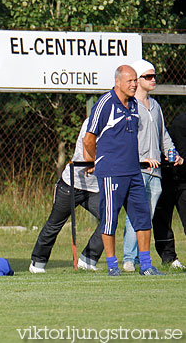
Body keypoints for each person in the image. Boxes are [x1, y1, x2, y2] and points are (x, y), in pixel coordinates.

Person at [83, 65, 165, 276]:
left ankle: (146, 265)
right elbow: (88, 139)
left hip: (134, 172)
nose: (134, 84)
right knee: (110, 219)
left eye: (135, 80)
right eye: (129, 81)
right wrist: (94, 161)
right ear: (117, 82)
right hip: (111, 172)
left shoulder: (135, 105)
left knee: (143, 218)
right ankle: (112, 265)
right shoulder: (105, 103)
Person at [121, 59, 183, 272]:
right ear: (137, 80)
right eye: (148, 76)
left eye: (154, 75)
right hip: (136, 170)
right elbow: (125, 139)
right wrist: (140, 158)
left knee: (147, 216)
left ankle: (140, 258)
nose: (153, 79)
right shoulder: (129, 106)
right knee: (136, 214)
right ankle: (129, 259)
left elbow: (162, 135)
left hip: (155, 172)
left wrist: (173, 154)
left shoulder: (155, 106)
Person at [29, 119, 104, 273]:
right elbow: (87, 145)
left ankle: (88, 259)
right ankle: (37, 263)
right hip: (71, 183)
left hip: (95, 188)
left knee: (110, 219)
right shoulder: (93, 121)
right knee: (54, 224)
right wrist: (94, 161)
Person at [152, 112, 186, 269]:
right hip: (168, 176)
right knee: (162, 218)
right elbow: (179, 153)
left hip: (183, 178)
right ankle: (169, 258)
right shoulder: (181, 123)